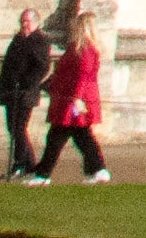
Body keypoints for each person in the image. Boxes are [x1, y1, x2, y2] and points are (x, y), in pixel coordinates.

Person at [34, 13, 109, 183]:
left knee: (58, 136)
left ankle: (43, 175)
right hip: (69, 98)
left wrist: (76, 98)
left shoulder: (85, 50)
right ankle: (98, 169)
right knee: (81, 136)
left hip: (75, 101)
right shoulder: (77, 48)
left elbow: (83, 76)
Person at [0, 15, 56, 180]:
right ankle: (29, 164)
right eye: (22, 21)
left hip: (26, 92)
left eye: (27, 21)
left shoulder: (40, 41)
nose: (24, 24)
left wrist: (26, 82)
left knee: (19, 127)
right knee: (13, 127)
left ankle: (20, 164)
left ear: (35, 23)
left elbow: (42, 67)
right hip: (11, 91)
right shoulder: (18, 39)